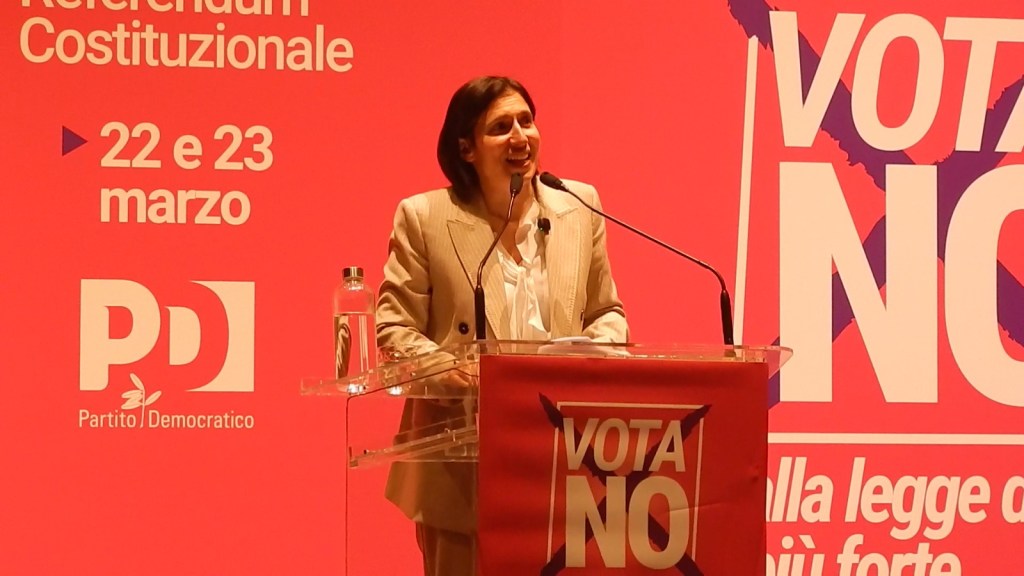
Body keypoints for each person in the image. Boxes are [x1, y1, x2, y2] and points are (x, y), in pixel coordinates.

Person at [375, 75, 629, 576]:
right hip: (461, 462)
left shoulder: (577, 207)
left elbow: (607, 313)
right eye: (500, 127)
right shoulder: (425, 217)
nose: (520, 137)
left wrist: (591, 360)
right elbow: (394, 328)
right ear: (466, 149)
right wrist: (453, 371)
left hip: (560, 457)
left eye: (526, 121)